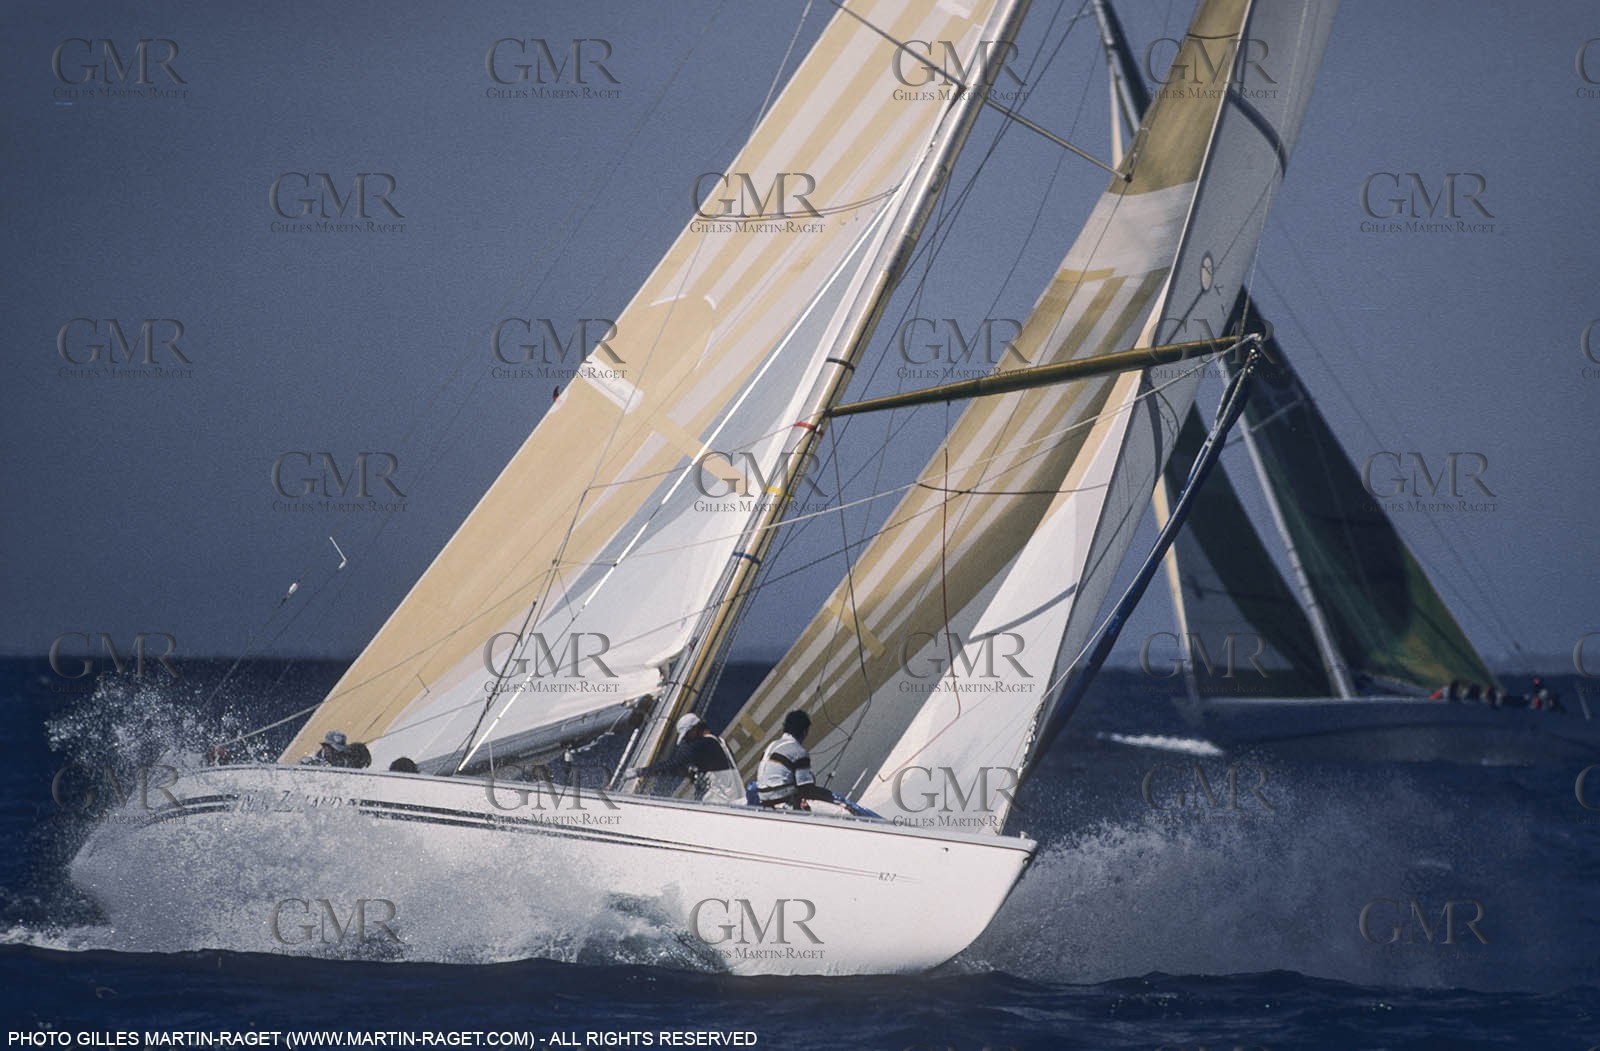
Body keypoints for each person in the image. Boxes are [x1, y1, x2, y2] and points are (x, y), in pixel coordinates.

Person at [626, 713, 744, 805]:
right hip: (732, 798)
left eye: (687, 735)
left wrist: (640, 772)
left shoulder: (703, 744)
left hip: (719, 802)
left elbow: (674, 763)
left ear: (694, 729)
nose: (687, 740)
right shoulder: (718, 742)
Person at [756, 710, 833, 810]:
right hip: (781, 799)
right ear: (805, 732)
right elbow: (806, 788)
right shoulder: (798, 751)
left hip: (763, 798)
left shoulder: (771, 745)